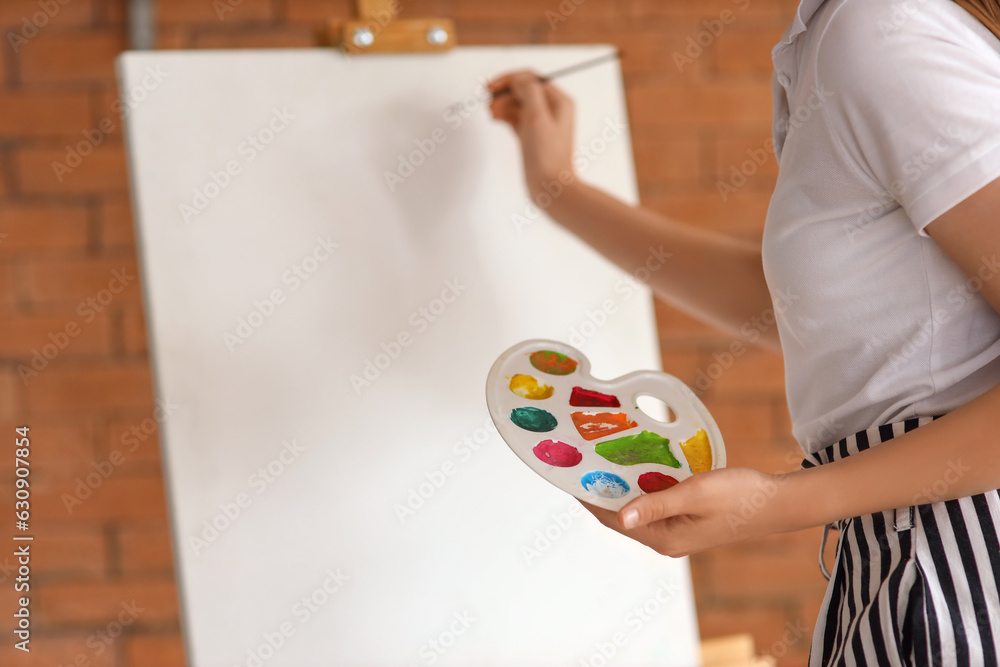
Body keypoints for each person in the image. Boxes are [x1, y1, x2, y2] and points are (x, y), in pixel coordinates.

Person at [487, 0, 1000, 664]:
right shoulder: (855, 32)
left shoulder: (879, 30)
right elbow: (797, 302)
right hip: (908, 556)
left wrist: (773, 504)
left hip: (962, 569)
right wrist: (559, 190)